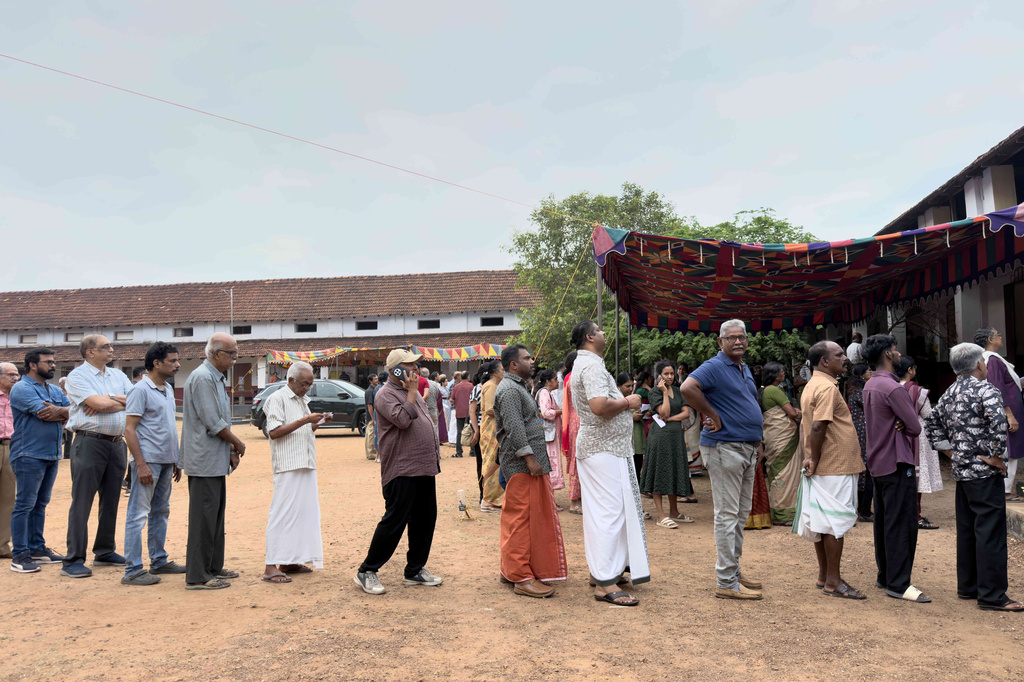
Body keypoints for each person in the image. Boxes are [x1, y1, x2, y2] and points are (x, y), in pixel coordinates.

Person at [924, 343, 1023, 612]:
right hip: (983, 470)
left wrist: (950, 452)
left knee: (968, 528)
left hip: (963, 472)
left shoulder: (950, 392)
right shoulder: (986, 390)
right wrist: (996, 456)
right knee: (990, 531)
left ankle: (968, 587)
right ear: (980, 363)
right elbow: (999, 424)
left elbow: (931, 424)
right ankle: (992, 595)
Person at [680, 319, 765, 601]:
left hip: (746, 447)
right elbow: (688, 388)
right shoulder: (715, 366)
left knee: (740, 515)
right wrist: (713, 415)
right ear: (720, 342)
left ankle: (734, 571)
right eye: (731, 338)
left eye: (742, 337)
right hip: (724, 447)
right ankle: (726, 581)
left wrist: (757, 440)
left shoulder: (743, 368)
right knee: (728, 515)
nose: (738, 341)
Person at [570, 320, 649, 606]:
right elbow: (599, 407)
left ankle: (604, 571)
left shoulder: (590, 363)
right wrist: (629, 402)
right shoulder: (591, 366)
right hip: (602, 449)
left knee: (610, 511)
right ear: (591, 337)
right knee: (608, 513)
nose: (605, 332)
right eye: (600, 330)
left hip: (605, 448)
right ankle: (604, 584)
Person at [354, 349, 442, 595]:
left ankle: (414, 570)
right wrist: (413, 393)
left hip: (423, 467)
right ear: (396, 369)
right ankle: (367, 570)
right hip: (402, 468)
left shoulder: (408, 391)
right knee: (394, 521)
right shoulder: (386, 394)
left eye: (416, 366)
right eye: (409, 366)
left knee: (425, 519)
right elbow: (403, 420)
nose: (415, 370)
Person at [794, 341, 866, 599]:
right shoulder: (826, 387)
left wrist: (813, 458)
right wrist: (813, 458)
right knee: (834, 523)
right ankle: (833, 582)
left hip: (827, 464)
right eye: (839, 355)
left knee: (824, 522)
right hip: (833, 464)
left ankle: (825, 575)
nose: (845, 358)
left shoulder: (815, 384)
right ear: (825, 361)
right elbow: (818, 427)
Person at [494, 345, 567, 597]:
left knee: (522, 518)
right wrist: (530, 459)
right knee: (520, 521)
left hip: (526, 464)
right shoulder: (510, 390)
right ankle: (521, 577)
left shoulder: (517, 386)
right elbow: (515, 430)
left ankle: (511, 570)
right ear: (514, 365)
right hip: (522, 466)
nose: (532, 361)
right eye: (527, 358)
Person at [862, 334, 929, 603]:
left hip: (878, 461)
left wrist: (900, 420)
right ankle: (899, 583)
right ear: (888, 355)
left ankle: (885, 575)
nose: (898, 352)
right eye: (894, 348)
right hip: (897, 460)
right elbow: (914, 426)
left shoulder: (870, 385)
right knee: (902, 522)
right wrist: (902, 421)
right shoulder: (893, 388)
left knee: (884, 520)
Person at [62, 334, 134, 578]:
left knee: (111, 499)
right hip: (89, 442)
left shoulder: (118, 375)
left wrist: (110, 399)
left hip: (116, 443)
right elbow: (98, 404)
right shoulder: (77, 377)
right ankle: (73, 559)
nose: (112, 349)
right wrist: (108, 402)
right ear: (90, 352)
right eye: (106, 346)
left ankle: (104, 550)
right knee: (82, 501)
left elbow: (136, 400)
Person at [180, 333, 245, 590]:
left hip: (215, 458)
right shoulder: (203, 377)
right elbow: (212, 421)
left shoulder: (216, 377)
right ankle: (197, 575)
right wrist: (237, 442)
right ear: (216, 354)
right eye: (232, 354)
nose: (235, 358)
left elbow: (221, 419)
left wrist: (230, 448)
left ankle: (212, 566)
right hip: (203, 459)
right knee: (203, 519)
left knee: (215, 517)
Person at [121, 342, 187, 586]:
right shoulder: (140, 390)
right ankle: (133, 570)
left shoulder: (167, 388)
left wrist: (176, 459)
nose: (177, 364)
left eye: (177, 360)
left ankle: (159, 560)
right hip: (148, 460)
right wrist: (140, 464)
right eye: (172, 360)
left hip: (166, 460)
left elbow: (167, 426)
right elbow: (130, 430)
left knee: (161, 511)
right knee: (138, 514)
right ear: (156, 363)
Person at [262, 361, 330, 584]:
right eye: (303, 384)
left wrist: (317, 421)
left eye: (310, 384)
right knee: (281, 513)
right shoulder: (277, 399)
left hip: (305, 462)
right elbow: (274, 432)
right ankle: (270, 566)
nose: (306, 388)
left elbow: (303, 430)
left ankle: (289, 560)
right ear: (290, 380)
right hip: (288, 465)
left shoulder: (302, 400)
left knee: (303, 514)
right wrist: (304, 419)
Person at [8, 349, 69, 573]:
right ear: (33, 365)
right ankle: (20, 555)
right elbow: (44, 412)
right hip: (28, 454)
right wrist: (64, 412)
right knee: (25, 504)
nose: (53, 365)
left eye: (53, 362)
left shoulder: (52, 389)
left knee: (40, 504)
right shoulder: (22, 388)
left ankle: (37, 547)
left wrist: (61, 411)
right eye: (48, 362)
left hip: (51, 453)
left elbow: (76, 411)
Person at [639, 361, 696, 528]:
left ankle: (674, 512)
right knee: (660, 472)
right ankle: (661, 515)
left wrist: (670, 419)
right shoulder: (655, 392)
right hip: (660, 437)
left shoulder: (679, 391)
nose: (670, 377)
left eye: (672, 373)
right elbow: (663, 411)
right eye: (666, 374)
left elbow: (686, 413)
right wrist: (664, 393)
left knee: (673, 471)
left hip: (675, 436)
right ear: (659, 376)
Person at [974, 327, 1024, 501]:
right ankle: (1006, 491)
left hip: (1010, 411)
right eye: (998, 335)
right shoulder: (993, 360)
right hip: (1007, 413)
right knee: (1009, 451)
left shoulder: (993, 360)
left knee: (1011, 450)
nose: (1001, 337)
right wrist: (1009, 415)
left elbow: (1008, 384)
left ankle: (1005, 489)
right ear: (990, 339)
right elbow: (997, 388)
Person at [896, 356, 943, 530]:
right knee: (917, 476)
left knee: (900, 476)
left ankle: (903, 514)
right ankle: (916, 515)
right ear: (910, 370)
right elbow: (928, 417)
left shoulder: (891, 388)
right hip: (916, 436)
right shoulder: (918, 392)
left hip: (896, 434)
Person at [759, 361, 802, 526]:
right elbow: (791, 413)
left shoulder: (763, 391)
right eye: (782, 371)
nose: (784, 373)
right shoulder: (774, 390)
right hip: (783, 437)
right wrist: (798, 412)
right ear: (776, 374)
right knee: (785, 473)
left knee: (777, 472)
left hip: (773, 437)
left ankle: (777, 510)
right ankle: (784, 514)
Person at [847, 364, 874, 522]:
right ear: (862, 375)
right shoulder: (861, 392)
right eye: (869, 371)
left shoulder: (855, 390)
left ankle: (861, 507)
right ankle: (864, 509)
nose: (872, 373)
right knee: (867, 470)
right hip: (864, 433)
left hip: (859, 432)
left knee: (864, 470)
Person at [479, 360, 505, 513]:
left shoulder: (495, 386)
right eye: (502, 369)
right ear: (494, 372)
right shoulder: (490, 386)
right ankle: (488, 501)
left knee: (497, 462)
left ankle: (495, 499)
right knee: (492, 462)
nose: (504, 372)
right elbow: (489, 409)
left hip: (495, 429)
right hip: (491, 430)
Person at [535, 370, 565, 495]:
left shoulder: (546, 393)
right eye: (554, 379)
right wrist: (561, 411)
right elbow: (546, 412)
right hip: (548, 435)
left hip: (550, 434)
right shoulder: (544, 393)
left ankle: (549, 496)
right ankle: (548, 496)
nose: (558, 382)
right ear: (548, 381)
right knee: (550, 464)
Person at [0, 363, 18, 560]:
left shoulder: (17, 397)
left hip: (11, 448)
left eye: (17, 375)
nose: (15, 378)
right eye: (11, 375)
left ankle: (3, 546)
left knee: (7, 500)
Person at [561, 351, 582, 515]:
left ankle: (579, 499)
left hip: (578, 419)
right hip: (578, 421)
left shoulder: (570, 377)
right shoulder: (573, 378)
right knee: (576, 460)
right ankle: (574, 501)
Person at [624, 372, 647, 488]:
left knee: (638, 461)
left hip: (637, 434)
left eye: (631, 386)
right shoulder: (616, 399)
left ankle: (637, 486)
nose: (630, 389)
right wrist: (630, 417)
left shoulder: (636, 397)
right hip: (625, 439)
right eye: (627, 386)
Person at [451, 371, 473, 458]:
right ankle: (473, 451)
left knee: (459, 431)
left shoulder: (456, 386)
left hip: (459, 411)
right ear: (468, 377)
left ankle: (459, 452)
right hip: (470, 411)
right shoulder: (471, 386)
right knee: (472, 430)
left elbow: (451, 399)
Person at [364, 374, 379, 461]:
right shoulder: (369, 391)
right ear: (370, 381)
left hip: (373, 415)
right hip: (371, 416)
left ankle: (371, 452)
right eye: (375, 379)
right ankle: (371, 453)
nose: (377, 380)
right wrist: (373, 418)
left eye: (377, 378)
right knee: (370, 434)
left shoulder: (374, 389)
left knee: (371, 434)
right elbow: (369, 405)